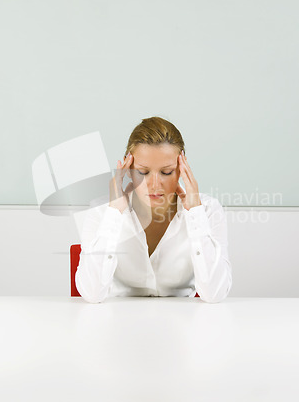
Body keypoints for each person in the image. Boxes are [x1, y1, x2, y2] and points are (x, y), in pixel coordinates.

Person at [75, 116, 232, 303]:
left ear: (182, 168)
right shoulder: (100, 212)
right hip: (118, 321)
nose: (155, 184)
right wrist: (115, 212)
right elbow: (92, 294)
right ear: (128, 168)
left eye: (166, 172)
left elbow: (215, 294)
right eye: (143, 172)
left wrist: (195, 213)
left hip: (183, 323)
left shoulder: (207, 210)